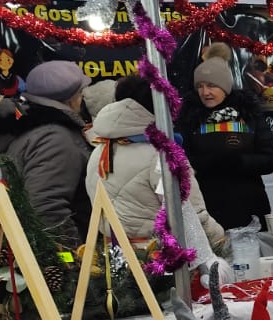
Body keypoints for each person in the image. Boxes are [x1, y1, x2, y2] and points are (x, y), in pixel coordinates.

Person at [87, 75, 226, 256]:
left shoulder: (100, 149)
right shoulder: (162, 155)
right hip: (160, 262)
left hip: (113, 258)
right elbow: (191, 215)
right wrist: (221, 241)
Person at [0, 60, 92, 247]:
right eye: (80, 92)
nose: (82, 99)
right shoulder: (55, 138)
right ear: (71, 97)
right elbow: (46, 207)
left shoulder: (34, 129)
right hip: (68, 262)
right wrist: (73, 259)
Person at [178, 54, 273, 230]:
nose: (205, 92)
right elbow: (181, 161)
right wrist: (208, 163)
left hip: (249, 205)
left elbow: (270, 159)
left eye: (212, 85)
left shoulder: (249, 114)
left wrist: (240, 162)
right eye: (200, 86)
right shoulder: (189, 119)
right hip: (208, 208)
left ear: (225, 86)